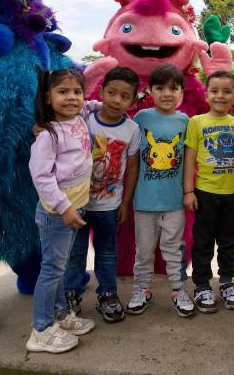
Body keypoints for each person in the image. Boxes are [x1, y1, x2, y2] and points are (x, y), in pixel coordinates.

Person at [26, 69, 97, 353]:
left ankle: (59, 316)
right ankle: (41, 331)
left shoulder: (79, 118)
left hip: (71, 209)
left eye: (77, 92)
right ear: (48, 97)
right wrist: (66, 208)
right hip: (56, 213)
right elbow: (41, 177)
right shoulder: (48, 135)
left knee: (60, 266)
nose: (71, 98)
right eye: (63, 92)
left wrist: (108, 104)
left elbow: (93, 105)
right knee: (52, 270)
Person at [64, 67, 141, 323]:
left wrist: (126, 202)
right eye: (112, 93)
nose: (116, 100)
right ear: (102, 91)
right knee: (74, 252)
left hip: (109, 205)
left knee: (107, 251)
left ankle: (107, 294)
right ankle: (70, 294)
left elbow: (132, 168)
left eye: (124, 96)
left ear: (133, 100)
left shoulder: (131, 129)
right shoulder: (85, 117)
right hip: (78, 203)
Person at [127, 64, 195, 318]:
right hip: (144, 201)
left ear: (182, 93)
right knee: (143, 250)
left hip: (174, 201)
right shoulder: (141, 118)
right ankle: (141, 289)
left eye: (173, 88)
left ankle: (179, 291)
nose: (167, 93)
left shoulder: (186, 121)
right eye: (160, 88)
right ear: (150, 91)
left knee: (174, 248)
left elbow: (190, 157)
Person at [183, 70, 234, 312]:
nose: (220, 96)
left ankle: (227, 282)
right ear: (206, 95)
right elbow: (190, 158)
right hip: (205, 193)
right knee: (203, 242)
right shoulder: (196, 122)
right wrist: (189, 191)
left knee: (229, 241)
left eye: (226, 91)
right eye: (215, 91)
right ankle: (201, 285)